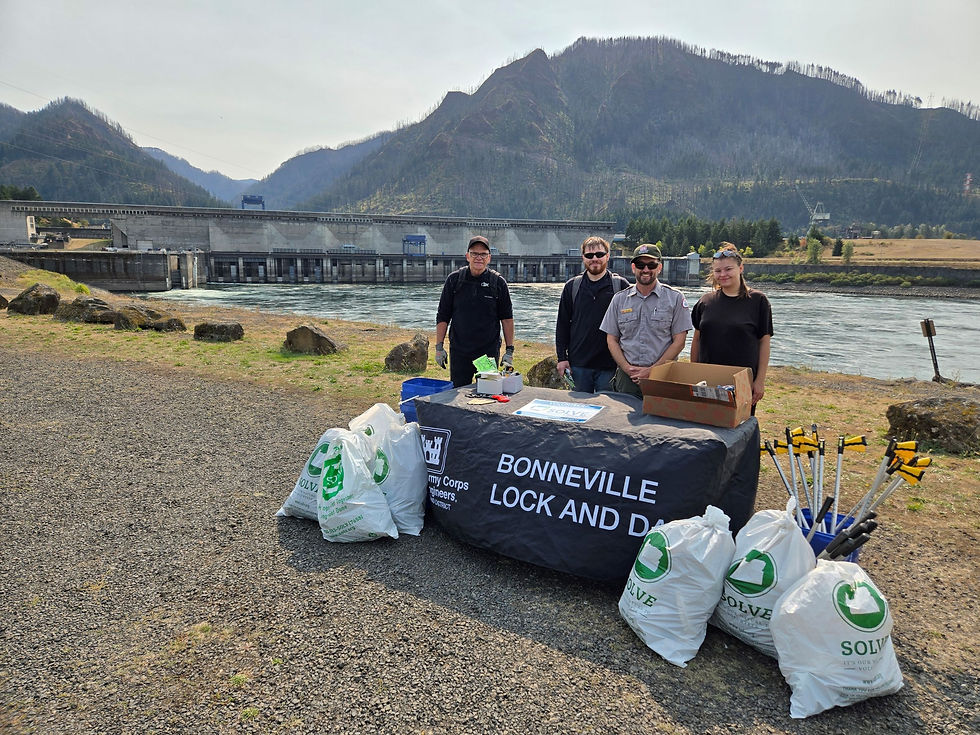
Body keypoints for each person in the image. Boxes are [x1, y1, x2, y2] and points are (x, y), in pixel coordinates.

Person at [600, 243, 693, 399]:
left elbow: (679, 342)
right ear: (633, 267)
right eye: (640, 265)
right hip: (627, 378)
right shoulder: (619, 299)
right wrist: (627, 368)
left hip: (662, 377)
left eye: (651, 265)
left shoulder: (675, 298)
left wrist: (652, 370)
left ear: (659, 267)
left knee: (660, 422)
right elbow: (611, 340)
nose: (646, 270)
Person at [690, 242, 773, 412]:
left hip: (742, 380)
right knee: (704, 427)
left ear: (741, 268)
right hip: (708, 379)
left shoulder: (758, 301)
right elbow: (697, 340)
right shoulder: (705, 301)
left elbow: (764, 343)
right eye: (718, 271)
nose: (723, 274)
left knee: (739, 428)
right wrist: (694, 372)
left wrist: (759, 381)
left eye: (728, 269)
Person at [434, 235, 515, 387]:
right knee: (457, 394)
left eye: (483, 254)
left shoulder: (497, 283)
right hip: (460, 351)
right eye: (474, 254)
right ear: (467, 256)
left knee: (487, 391)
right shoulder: (454, 280)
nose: (479, 258)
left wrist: (509, 350)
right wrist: (439, 348)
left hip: (487, 352)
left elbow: (507, 319)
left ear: (489, 258)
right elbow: (443, 316)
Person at [555, 236, 631, 392]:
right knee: (579, 412)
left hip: (611, 366)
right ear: (583, 257)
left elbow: (632, 326)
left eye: (599, 254)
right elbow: (562, 325)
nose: (594, 259)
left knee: (609, 413)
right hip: (579, 366)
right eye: (589, 255)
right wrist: (562, 358)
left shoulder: (621, 286)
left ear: (608, 256)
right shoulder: (572, 287)